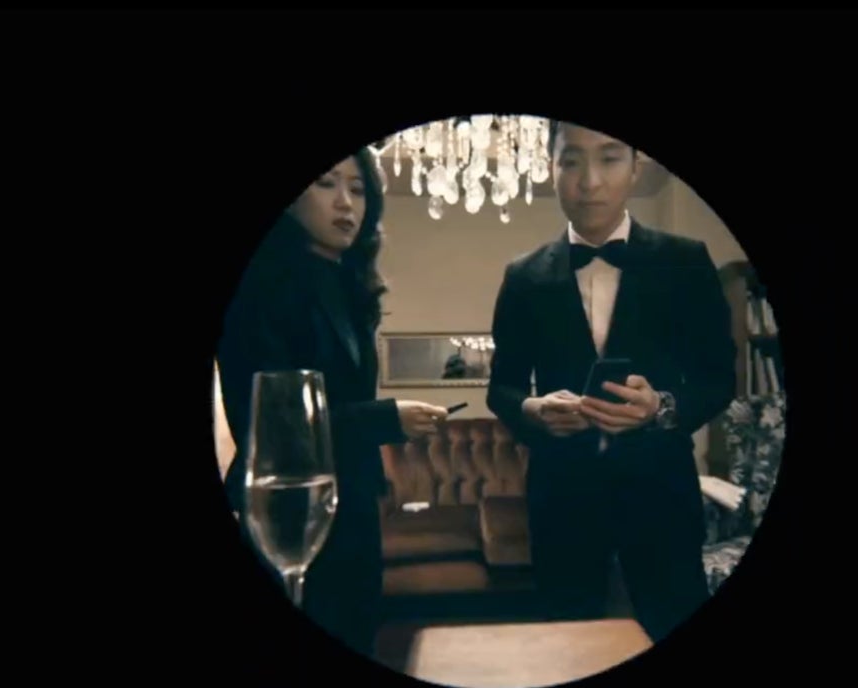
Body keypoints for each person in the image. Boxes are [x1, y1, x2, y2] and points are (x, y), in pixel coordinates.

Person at [486, 121, 737, 643]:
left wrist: (661, 407)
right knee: (565, 644)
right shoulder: (523, 275)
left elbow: (718, 378)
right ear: (551, 168)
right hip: (562, 496)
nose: (590, 181)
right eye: (571, 160)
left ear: (636, 166)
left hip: (661, 494)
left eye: (609, 157)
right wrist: (533, 410)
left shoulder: (686, 260)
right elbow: (502, 388)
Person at [216, 147, 449, 657]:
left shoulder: (349, 284)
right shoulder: (259, 283)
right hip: (289, 505)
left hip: (353, 502)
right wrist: (389, 417)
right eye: (326, 183)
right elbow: (275, 420)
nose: (346, 202)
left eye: (358, 189)